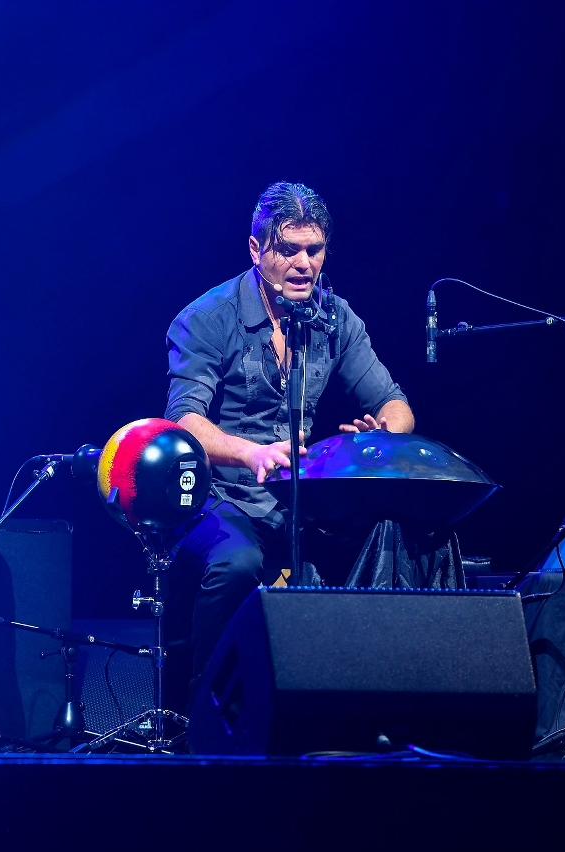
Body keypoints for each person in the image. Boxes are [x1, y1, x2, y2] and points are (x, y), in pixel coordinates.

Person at [164, 181, 414, 693]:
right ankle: (205, 705)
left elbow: (396, 404)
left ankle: (356, 698)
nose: (304, 264)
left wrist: (382, 435)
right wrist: (250, 453)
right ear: (256, 249)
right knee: (237, 565)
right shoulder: (206, 319)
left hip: (301, 503)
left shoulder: (335, 318)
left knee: (393, 539)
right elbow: (184, 421)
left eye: (314, 250)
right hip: (222, 498)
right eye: (288, 250)